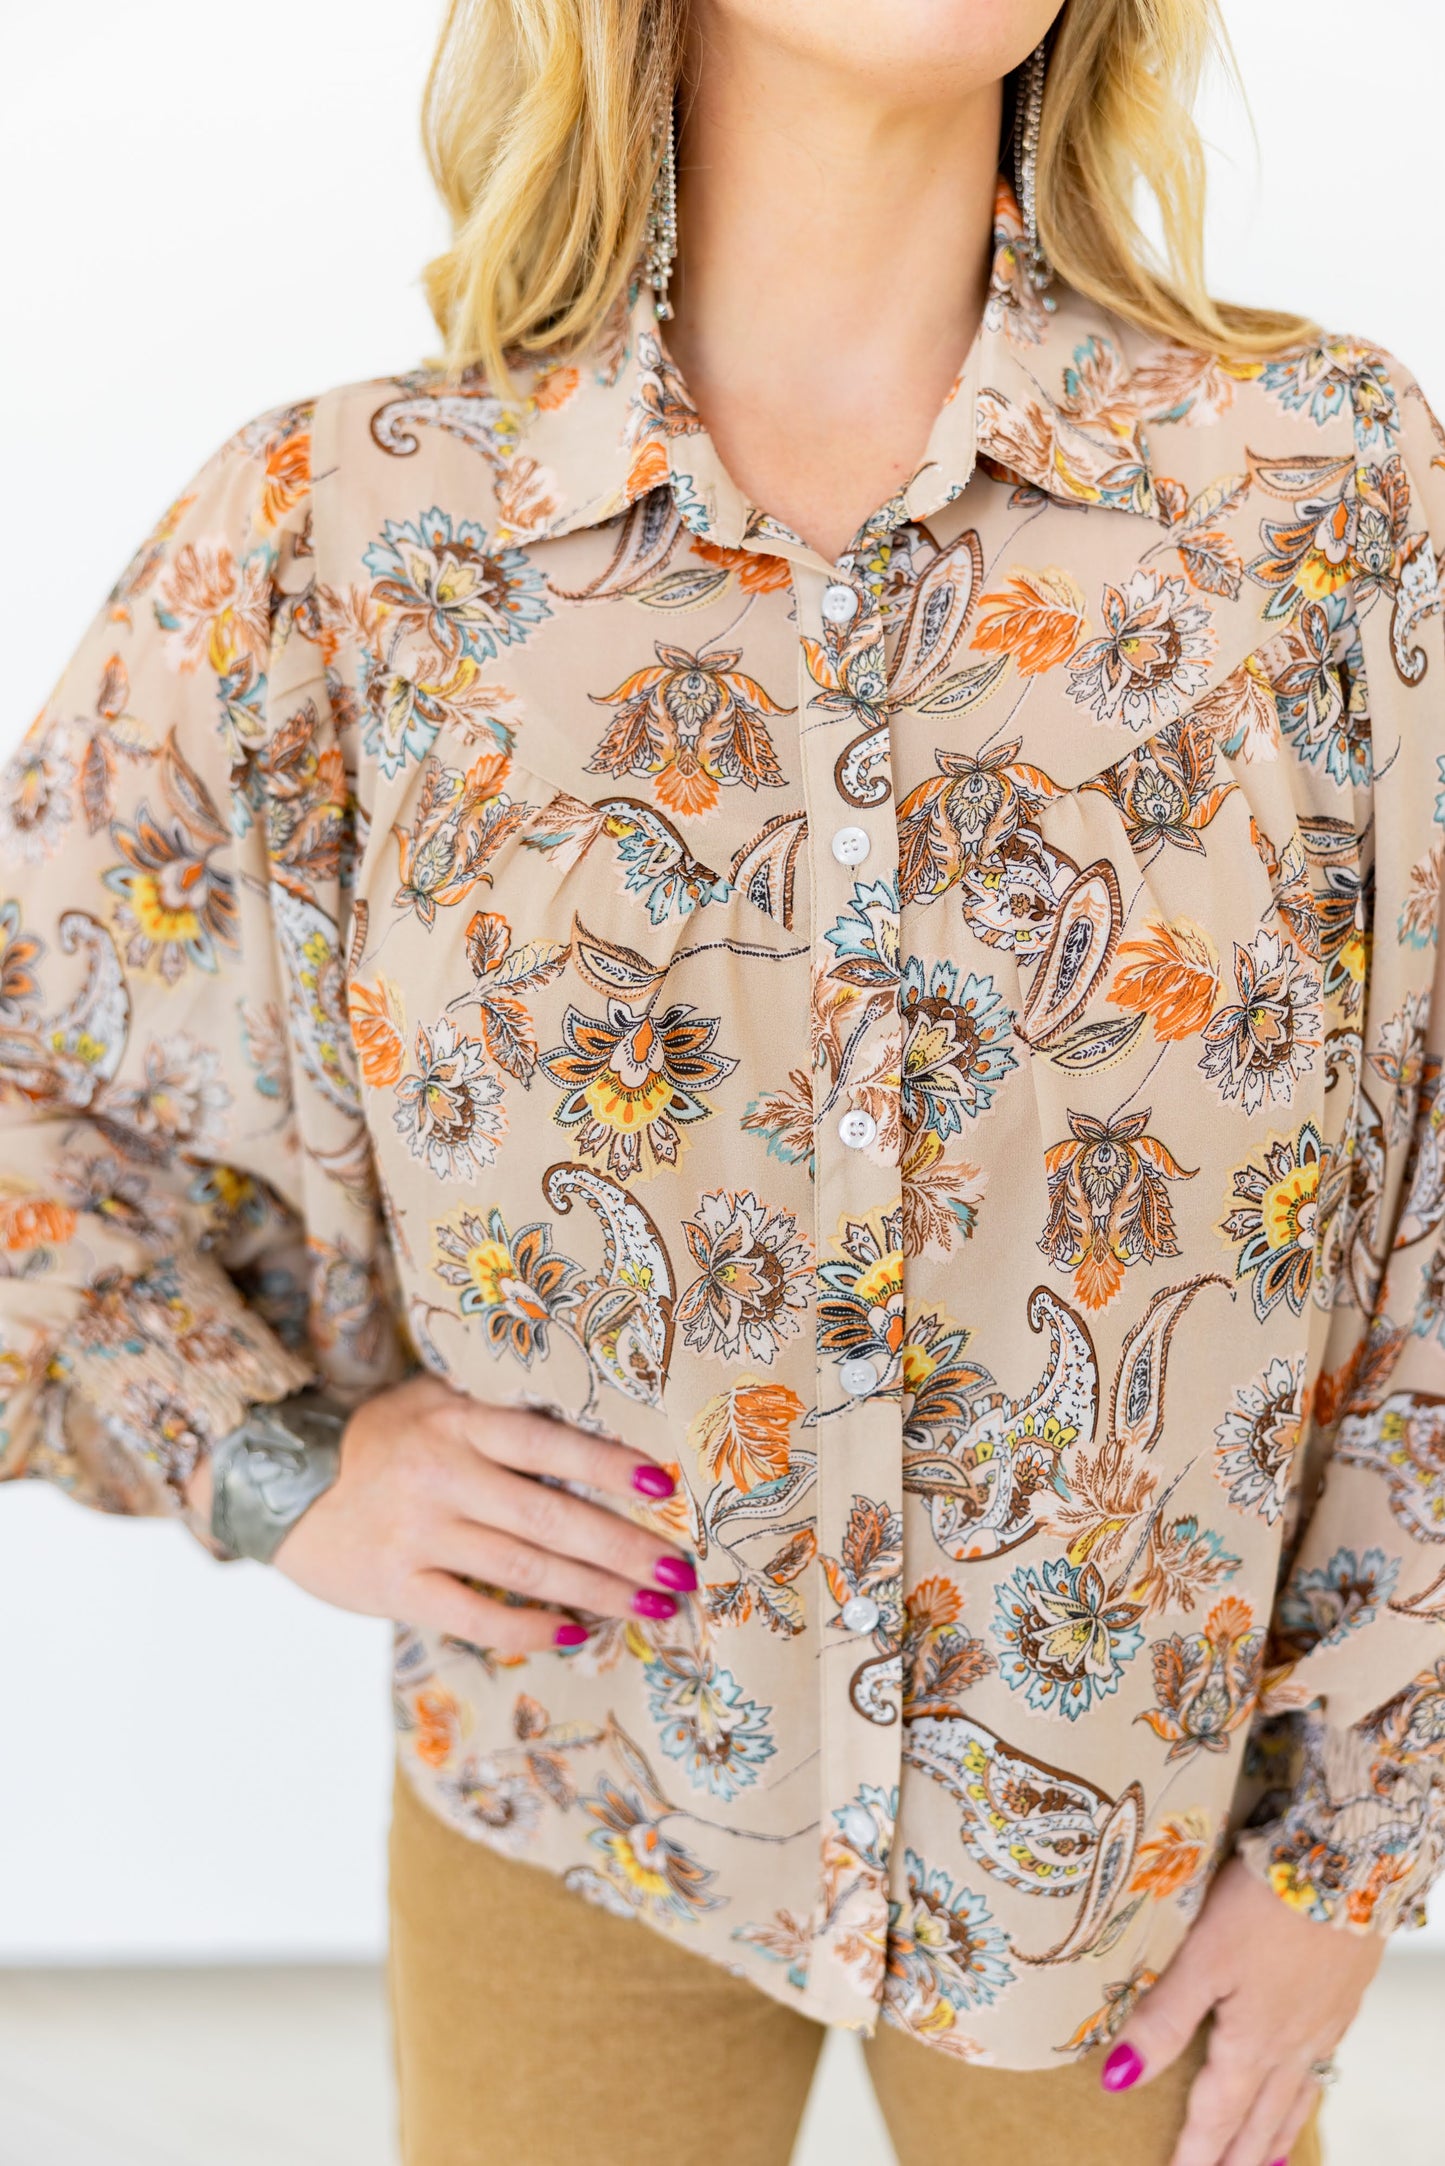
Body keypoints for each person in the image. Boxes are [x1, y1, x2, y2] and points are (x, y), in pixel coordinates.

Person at [4, 2, 1443, 2161]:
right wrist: (276, 1461)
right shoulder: (352, 535)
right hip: (571, 1808)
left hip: (1139, 1870)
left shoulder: (1312, 495)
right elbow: (33, 1067)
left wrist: (1357, 1843)